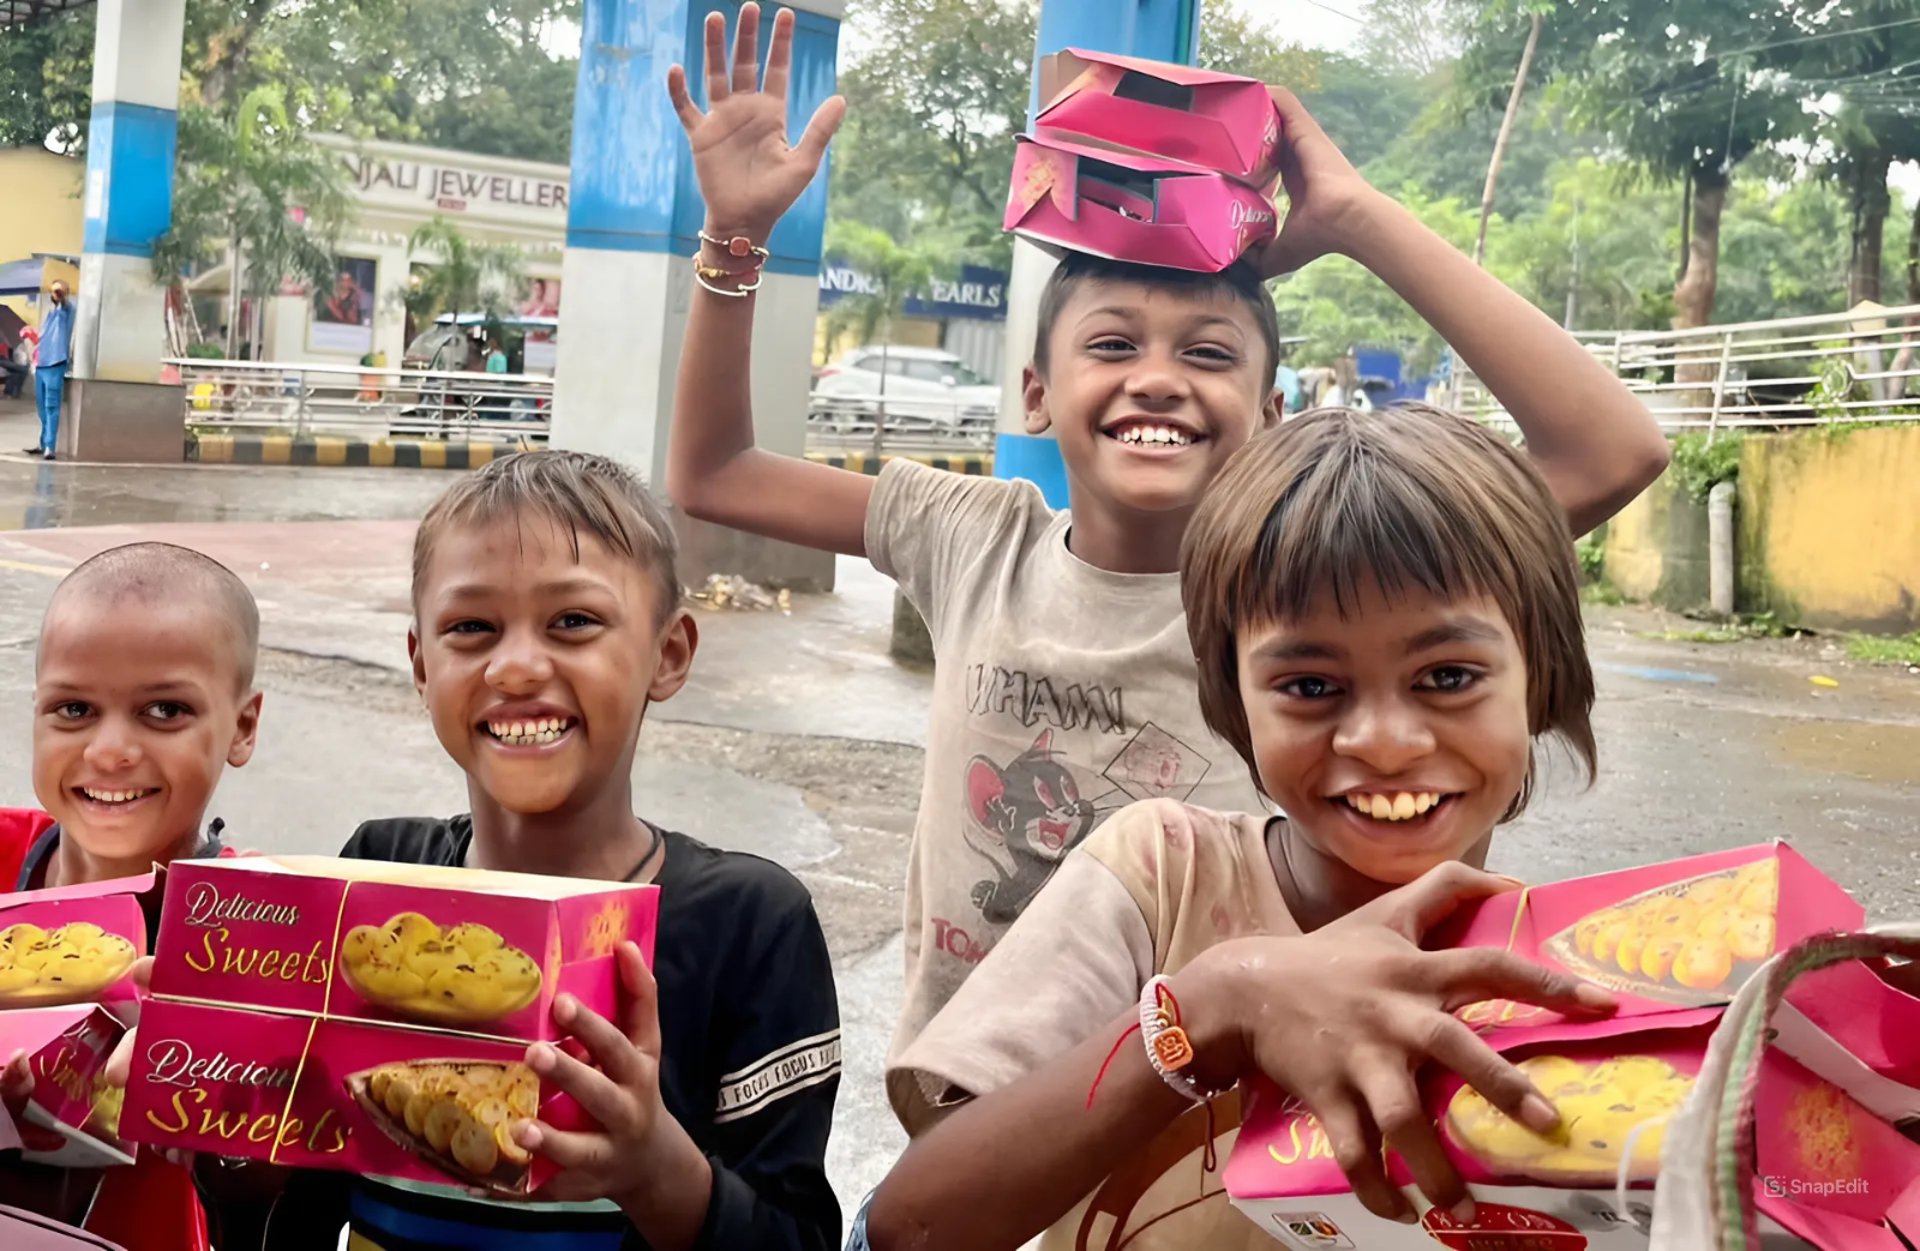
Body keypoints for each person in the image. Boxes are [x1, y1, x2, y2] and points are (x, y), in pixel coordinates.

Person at [664, 4, 1669, 1060]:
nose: (1157, 375)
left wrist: (1360, 220)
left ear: (1273, 411)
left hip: (1225, 1111)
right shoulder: (970, 534)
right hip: (985, 1105)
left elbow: (1611, 453)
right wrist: (736, 242)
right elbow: (715, 471)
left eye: (1209, 353)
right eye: (1112, 343)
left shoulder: (1318, 586)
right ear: (1036, 392)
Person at [861, 404, 1616, 1250]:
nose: (1385, 742)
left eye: (1447, 674)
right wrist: (1217, 1004)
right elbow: (911, 1223)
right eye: (1309, 684)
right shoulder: (1164, 876)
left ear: (1541, 675)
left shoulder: (1581, 973)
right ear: (1233, 697)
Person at [265, 450, 842, 1251]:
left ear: (668, 653)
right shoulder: (377, 883)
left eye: (573, 622)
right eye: (471, 628)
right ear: (421, 663)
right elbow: (295, 1183)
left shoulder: (748, 926)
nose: (518, 666)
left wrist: (655, 1171)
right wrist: (233, 1076)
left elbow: (799, 1235)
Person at [0, 541, 264, 1250]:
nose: (110, 750)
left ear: (242, 724)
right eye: (74, 708)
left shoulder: (267, 928)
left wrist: (226, 1094)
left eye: (165, 710)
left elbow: (280, 1189)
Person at [29, 281, 72, 459]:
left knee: (51, 406)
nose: (55, 294)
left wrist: (61, 297)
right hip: (42, 363)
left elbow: (65, 305)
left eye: (59, 292)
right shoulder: (49, 312)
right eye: (53, 291)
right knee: (41, 407)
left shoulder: (67, 311)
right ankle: (43, 441)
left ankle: (50, 447)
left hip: (55, 363)